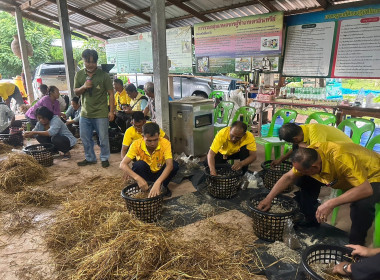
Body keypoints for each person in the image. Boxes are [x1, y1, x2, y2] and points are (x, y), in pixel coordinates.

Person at [257, 143, 380, 245]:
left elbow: (366, 189)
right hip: (347, 175)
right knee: (303, 179)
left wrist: (330, 204)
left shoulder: (342, 159)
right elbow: (289, 177)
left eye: (302, 170)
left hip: (374, 175)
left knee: (362, 204)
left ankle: (355, 247)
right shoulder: (310, 155)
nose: (298, 171)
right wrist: (269, 198)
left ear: (315, 166)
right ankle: (310, 217)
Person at [74, 49, 115, 168]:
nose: (90, 64)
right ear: (83, 61)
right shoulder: (79, 74)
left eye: (93, 62)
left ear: (96, 62)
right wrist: (84, 87)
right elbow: (76, 92)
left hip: (101, 113)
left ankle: (104, 158)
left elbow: (111, 94)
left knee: (103, 138)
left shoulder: (104, 75)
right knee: (85, 138)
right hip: (85, 113)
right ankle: (90, 158)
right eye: (88, 62)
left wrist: (111, 111)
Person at [120, 122, 179, 198]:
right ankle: (147, 187)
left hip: (159, 172)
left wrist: (158, 182)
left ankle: (162, 186)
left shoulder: (165, 143)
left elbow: (169, 165)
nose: (153, 143)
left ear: (159, 136)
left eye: (155, 140)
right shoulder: (136, 144)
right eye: (149, 141)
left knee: (174, 165)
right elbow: (122, 164)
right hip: (145, 173)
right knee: (139, 165)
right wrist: (138, 179)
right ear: (143, 136)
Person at [271, 123, 352, 167]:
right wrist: (282, 158)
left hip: (346, 154)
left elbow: (319, 153)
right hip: (332, 151)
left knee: (310, 166)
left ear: (295, 139)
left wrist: (304, 146)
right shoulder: (301, 130)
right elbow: (296, 146)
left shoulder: (315, 130)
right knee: (299, 150)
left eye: (293, 142)